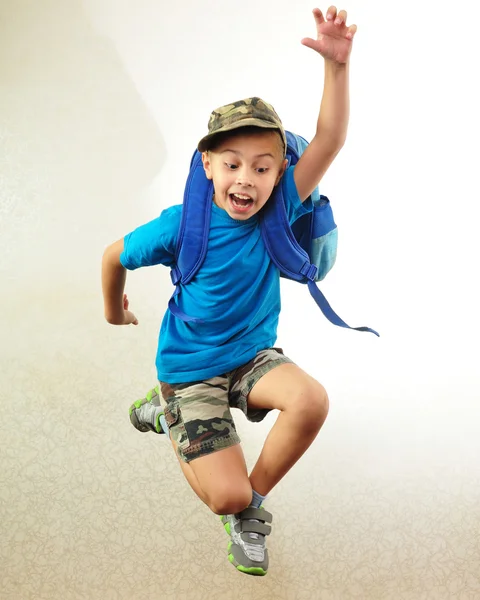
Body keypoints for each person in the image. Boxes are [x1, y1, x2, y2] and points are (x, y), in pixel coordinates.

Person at [102, 6, 357, 576]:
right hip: (189, 370)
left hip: (251, 359)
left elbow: (331, 137)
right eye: (233, 164)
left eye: (264, 168)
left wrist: (337, 67)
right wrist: (113, 309)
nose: (248, 178)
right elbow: (113, 254)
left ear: (279, 173)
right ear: (208, 164)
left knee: (309, 404)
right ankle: (169, 412)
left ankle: (252, 511)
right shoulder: (178, 226)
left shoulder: (283, 202)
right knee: (223, 494)